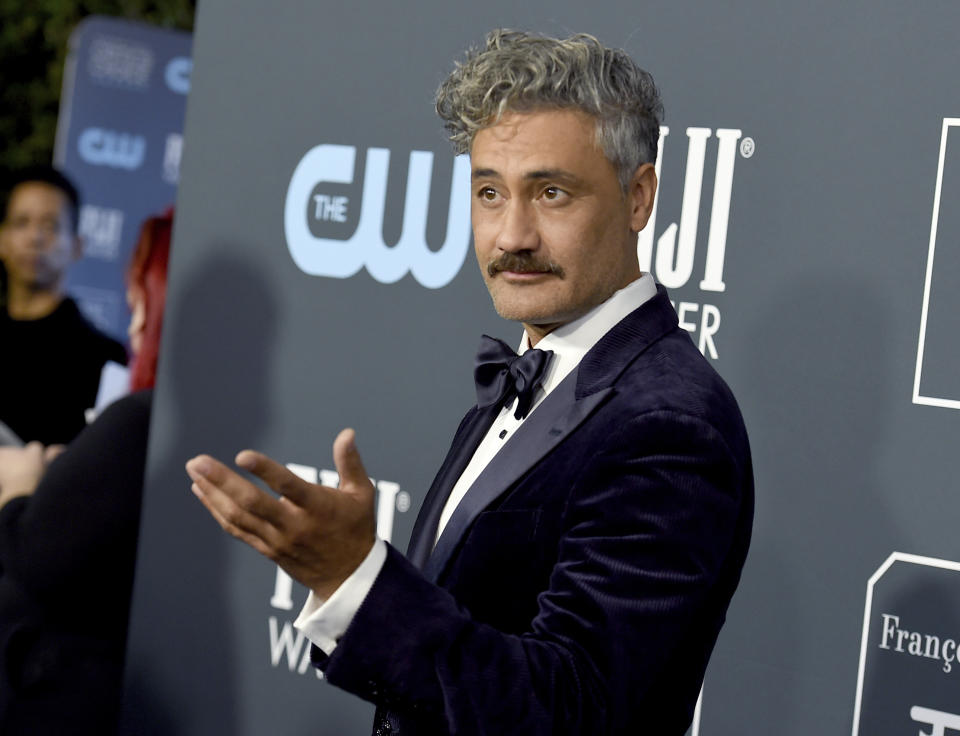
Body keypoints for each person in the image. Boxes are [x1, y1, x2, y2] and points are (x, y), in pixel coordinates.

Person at [187, 30, 753, 736]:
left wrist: (356, 583)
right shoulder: (533, 372)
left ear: (638, 198)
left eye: (551, 193)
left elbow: (571, 709)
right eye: (490, 192)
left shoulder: (668, 424)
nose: (511, 234)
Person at [0, 210, 172, 735]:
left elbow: (38, 556)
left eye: (142, 298)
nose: (135, 320)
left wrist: (22, 488)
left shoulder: (138, 419)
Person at [0, 166, 127, 445]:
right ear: (3, 239)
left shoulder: (105, 358)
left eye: (51, 226)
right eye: (22, 222)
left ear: (77, 245)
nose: (35, 238)